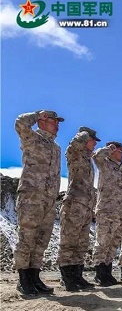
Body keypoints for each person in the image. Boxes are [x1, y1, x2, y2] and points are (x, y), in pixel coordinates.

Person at [13, 110, 64, 295]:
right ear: (43, 121)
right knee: (27, 238)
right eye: (53, 121)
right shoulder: (32, 138)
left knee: (41, 241)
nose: (57, 124)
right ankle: (23, 279)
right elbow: (20, 123)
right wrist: (36, 115)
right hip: (31, 196)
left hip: (49, 200)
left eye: (58, 122)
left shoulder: (56, 148)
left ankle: (34, 277)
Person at [57, 126, 101, 291]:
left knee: (81, 243)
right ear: (85, 140)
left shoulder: (88, 160)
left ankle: (77, 276)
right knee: (69, 241)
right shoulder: (74, 153)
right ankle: (67, 278)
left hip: (86, 206)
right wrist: (84, 133)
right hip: (74, 204)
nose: (95, 144)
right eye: (93, 140)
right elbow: (74, 143)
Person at [91, 141, 122, 286]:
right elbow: (96, 156)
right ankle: (99, 274)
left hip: (119, 213)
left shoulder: (121, 170)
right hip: (106, 211)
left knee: (113, 244)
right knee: (103, 242)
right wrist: (110, 148)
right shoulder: (105, 164)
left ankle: (107, 272)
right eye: (120, 150)